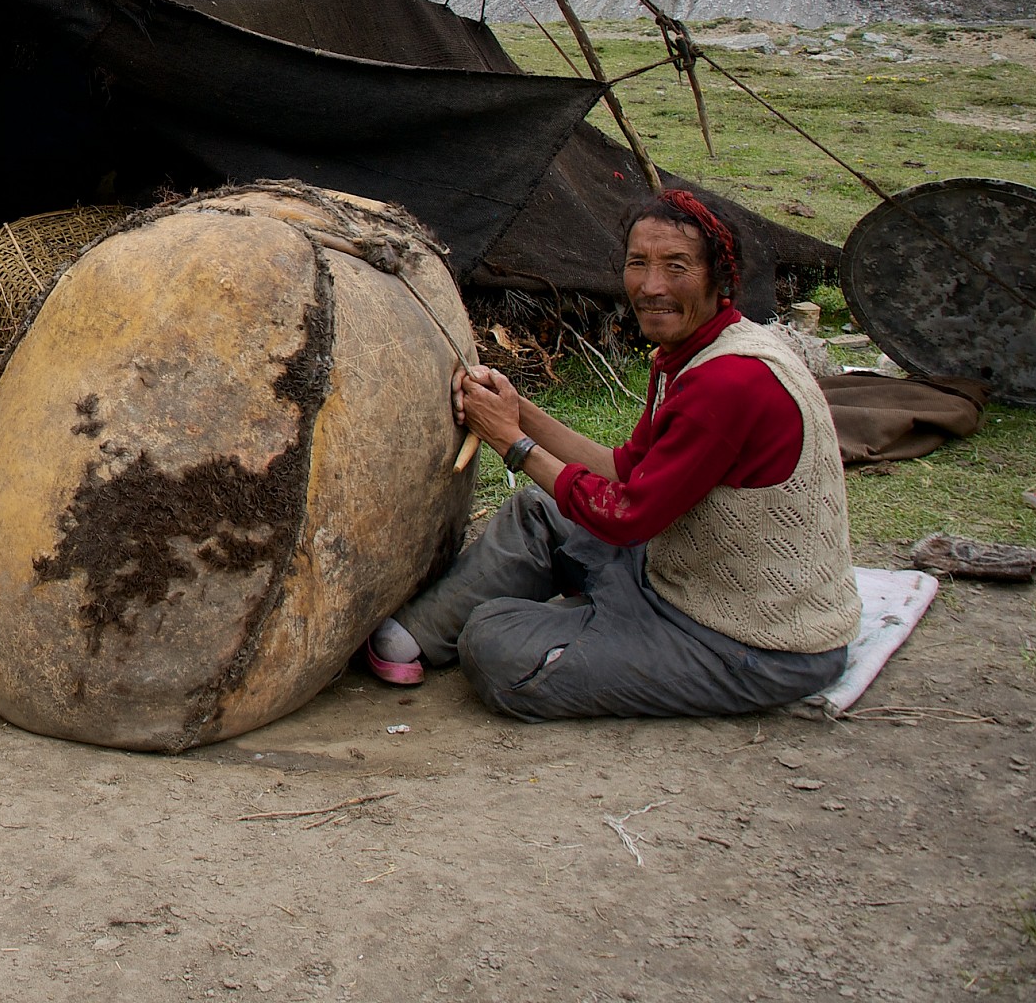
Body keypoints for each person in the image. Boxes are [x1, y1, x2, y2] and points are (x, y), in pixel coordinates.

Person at [365, 189, 860, 719]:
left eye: (676, 267)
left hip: (751, 642)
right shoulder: (689, 354)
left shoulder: (731, 379)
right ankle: (407, 639)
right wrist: (519, 411)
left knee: (495, 645)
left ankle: (591, 631)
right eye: (637, 264)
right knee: (540, 510)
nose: (651, 287)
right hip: (682, 579)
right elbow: (627, 471)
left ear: (722, 280)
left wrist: (512, 443)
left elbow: (626, 517)